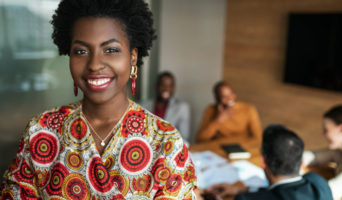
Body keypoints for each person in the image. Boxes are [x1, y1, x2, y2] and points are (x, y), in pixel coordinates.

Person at [0, 0, 197, 199]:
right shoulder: (41, 132)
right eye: (81, 51)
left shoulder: (165, 143)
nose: (94, 65)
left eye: (111, 50)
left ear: (133, 57)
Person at [207, 125, 333, 200]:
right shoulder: (318, 183)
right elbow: (285, 190)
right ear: (302, 163)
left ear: (263, 161)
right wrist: (244, 188)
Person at [304, 105, 342, 200]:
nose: (323, 135)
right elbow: (313, 156)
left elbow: (329, 192)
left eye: (326, 130)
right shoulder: (338, 152)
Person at [196, 81, 262, 143]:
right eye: (223, 96)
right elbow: (200, 139)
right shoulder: (211, 110)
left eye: (230, 94)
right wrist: (218, 120)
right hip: (218, 147)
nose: (229, 98)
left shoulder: (248, 109)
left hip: (241, 147)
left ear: (234, 95)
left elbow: (258, 137)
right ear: (217, 99)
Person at [142, 71, 191, 142]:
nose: (166, 89)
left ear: (174, 88)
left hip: (170, 148)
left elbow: (184, 137)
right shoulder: (144, 105)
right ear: (157, 86)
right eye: (163, 85)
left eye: (170, 86)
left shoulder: (182, 108)